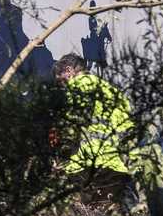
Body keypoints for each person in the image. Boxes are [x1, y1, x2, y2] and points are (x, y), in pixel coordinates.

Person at [52, 53, 135, 207]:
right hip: (119, 155)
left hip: (100, 156)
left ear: (69, 71)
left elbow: (74, 123)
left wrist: (61, 148)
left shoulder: (80, 85)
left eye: (60, 80)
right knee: (122, 200)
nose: (61, 86)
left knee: (84, 191)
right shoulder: (103, 85)